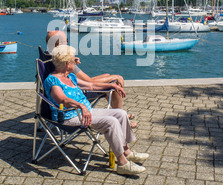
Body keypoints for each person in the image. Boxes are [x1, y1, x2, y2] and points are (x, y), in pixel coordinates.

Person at [43, 44, 149, 175]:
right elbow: (62, 100)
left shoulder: (70, 76)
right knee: (111, 122)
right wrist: (80, 106)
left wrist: (111, 85)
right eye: (73, 60)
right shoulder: (53, 81)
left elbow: (91, 85)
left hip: (86, 112)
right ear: (66, 64)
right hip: (70, 117)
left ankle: (126, 152)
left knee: (121, 113)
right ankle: (123, 164)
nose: (75, 62)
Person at [45, 30, 136, 126]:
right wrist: (116, 78)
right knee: (115, 81)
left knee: (107, 75)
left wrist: (73, 59)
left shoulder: (49, 57)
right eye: (66, 40)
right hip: (78, 93)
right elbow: (89, 82)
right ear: (59, 44)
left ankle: (118, 114)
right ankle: (120, 118)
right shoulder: (65, 61)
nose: (67, 42)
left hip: (74, 87)